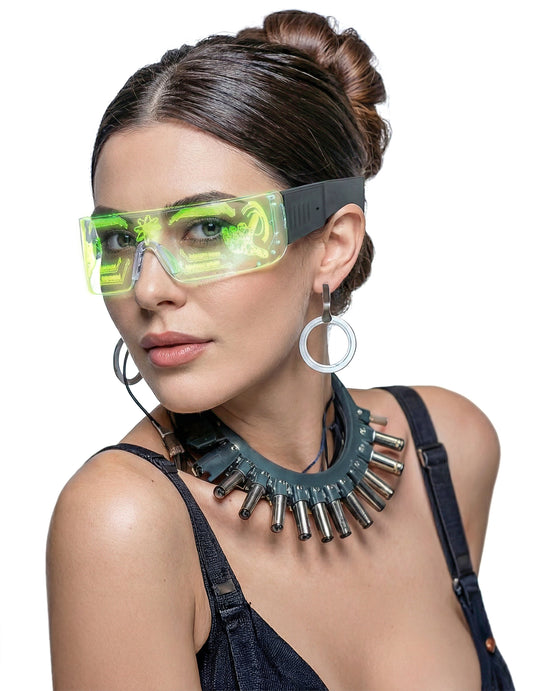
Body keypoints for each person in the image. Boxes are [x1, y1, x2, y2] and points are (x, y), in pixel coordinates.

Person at [46, 9, 514, 690]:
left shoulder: (446, 448)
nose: (147, 288)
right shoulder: (123, 521)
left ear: (332, 246)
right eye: (120, 241)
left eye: (206, 229)